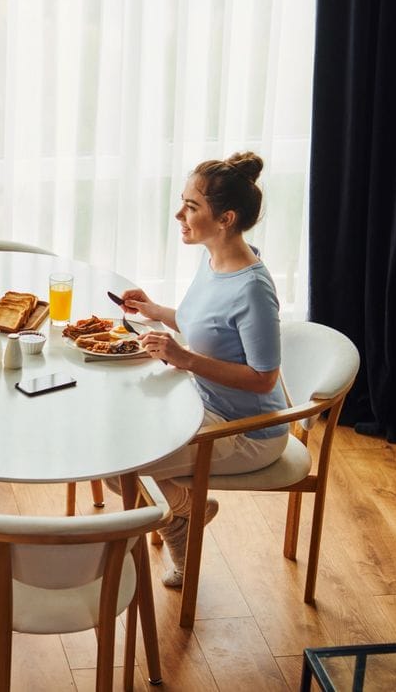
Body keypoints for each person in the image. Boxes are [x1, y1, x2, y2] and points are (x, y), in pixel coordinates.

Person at [114, 151, 288, 587]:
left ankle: (182, 511)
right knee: (109, 429)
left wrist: (185, 358)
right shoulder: (214, 258)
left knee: (119, 460)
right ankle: (184, 508)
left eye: (192, 207)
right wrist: (151, 309)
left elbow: (265, 377)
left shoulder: (253, 289)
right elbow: (205, 324)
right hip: (200, 401)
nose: (179, 214)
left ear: (226, 218)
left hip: (246, 429)